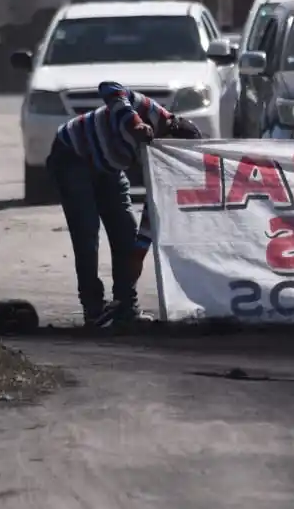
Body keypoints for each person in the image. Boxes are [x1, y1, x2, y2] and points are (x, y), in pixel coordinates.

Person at [48, 80, 201, 328]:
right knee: (86, 233)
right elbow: (109, 88)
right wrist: (135, 122)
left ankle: (126, 308)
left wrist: (139, 254)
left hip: (109, 168)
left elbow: (154, 210)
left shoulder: (166, 165)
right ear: (167, 130)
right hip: (72, 155)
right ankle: (93, 308)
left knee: (127, 235)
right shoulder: (153, 112)